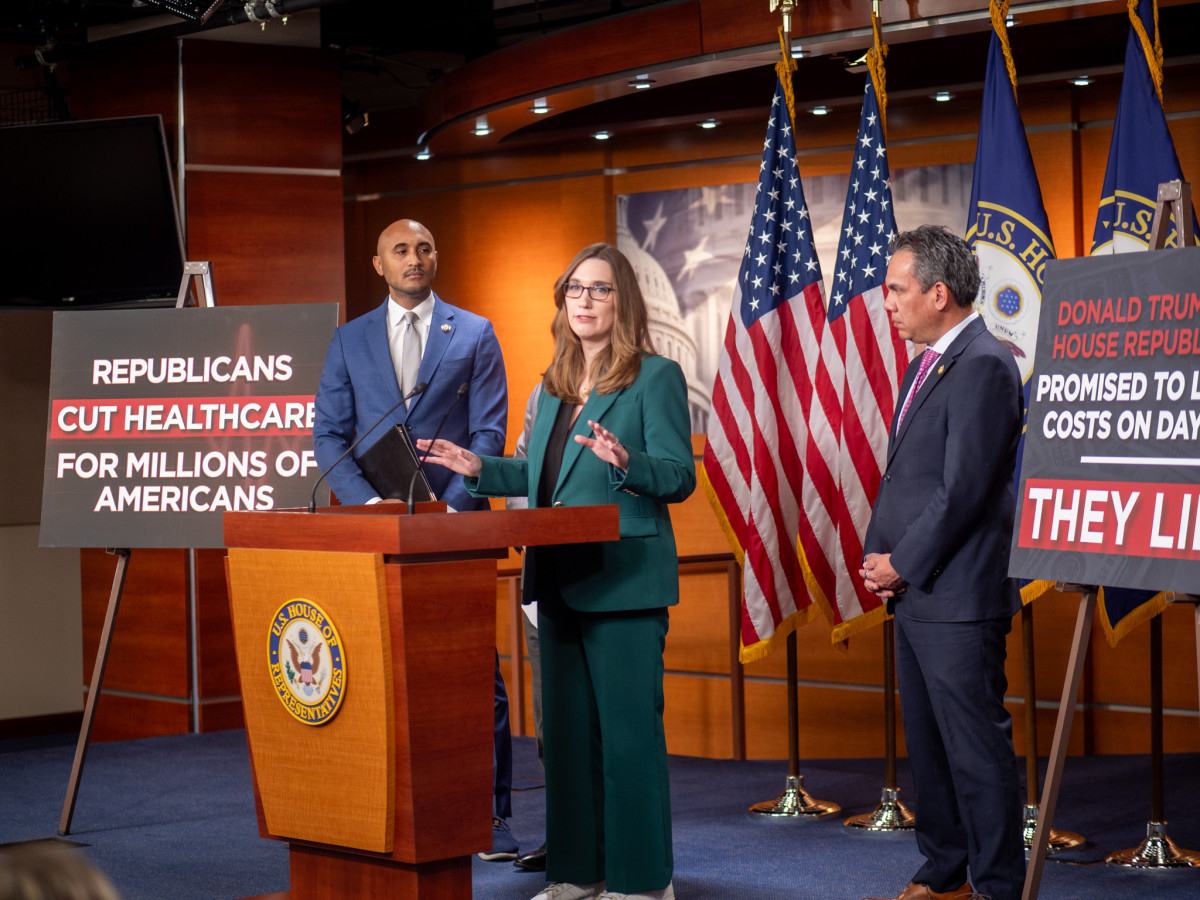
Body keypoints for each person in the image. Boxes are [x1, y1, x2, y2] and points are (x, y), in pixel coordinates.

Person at [419, 243, 696, 900]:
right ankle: (578, 873)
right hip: (558, 581)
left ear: (622, 301)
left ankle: (641, 880)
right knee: (569, 743)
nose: (585, 302)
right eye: (575, 290)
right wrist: (479, 469)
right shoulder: (553, 386)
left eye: (599, 290)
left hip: (624, 581)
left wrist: (628, 461)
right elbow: (543, 479)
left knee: (627, 741)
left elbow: (679, 476)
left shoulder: (653, 377)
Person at [312, 218, 519, 860]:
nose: (414, 258)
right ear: (379, 265)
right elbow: (330, 436)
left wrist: (449, 511)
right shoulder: (348, 341)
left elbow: (488, 435)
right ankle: (391, 812)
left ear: (436, 257)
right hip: (376, 534)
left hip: (452, 535)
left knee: (471, 677)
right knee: (382, 676)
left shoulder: (475, 333)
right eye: (400, 250)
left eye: (424, 248)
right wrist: (371, 506)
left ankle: (490, 819)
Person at [860, 225, 1025, 900]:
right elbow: (907, 477)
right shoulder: (924, 363)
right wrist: (881, 556)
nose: (888, 303)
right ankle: (944, 867)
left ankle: (994, 885)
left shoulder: (986, 362)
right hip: (915, 589)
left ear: (938, 292)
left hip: (959, 593)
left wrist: (902, 561)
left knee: (976, 751)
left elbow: (967, 490)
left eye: (897, 290)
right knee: (928, 747)